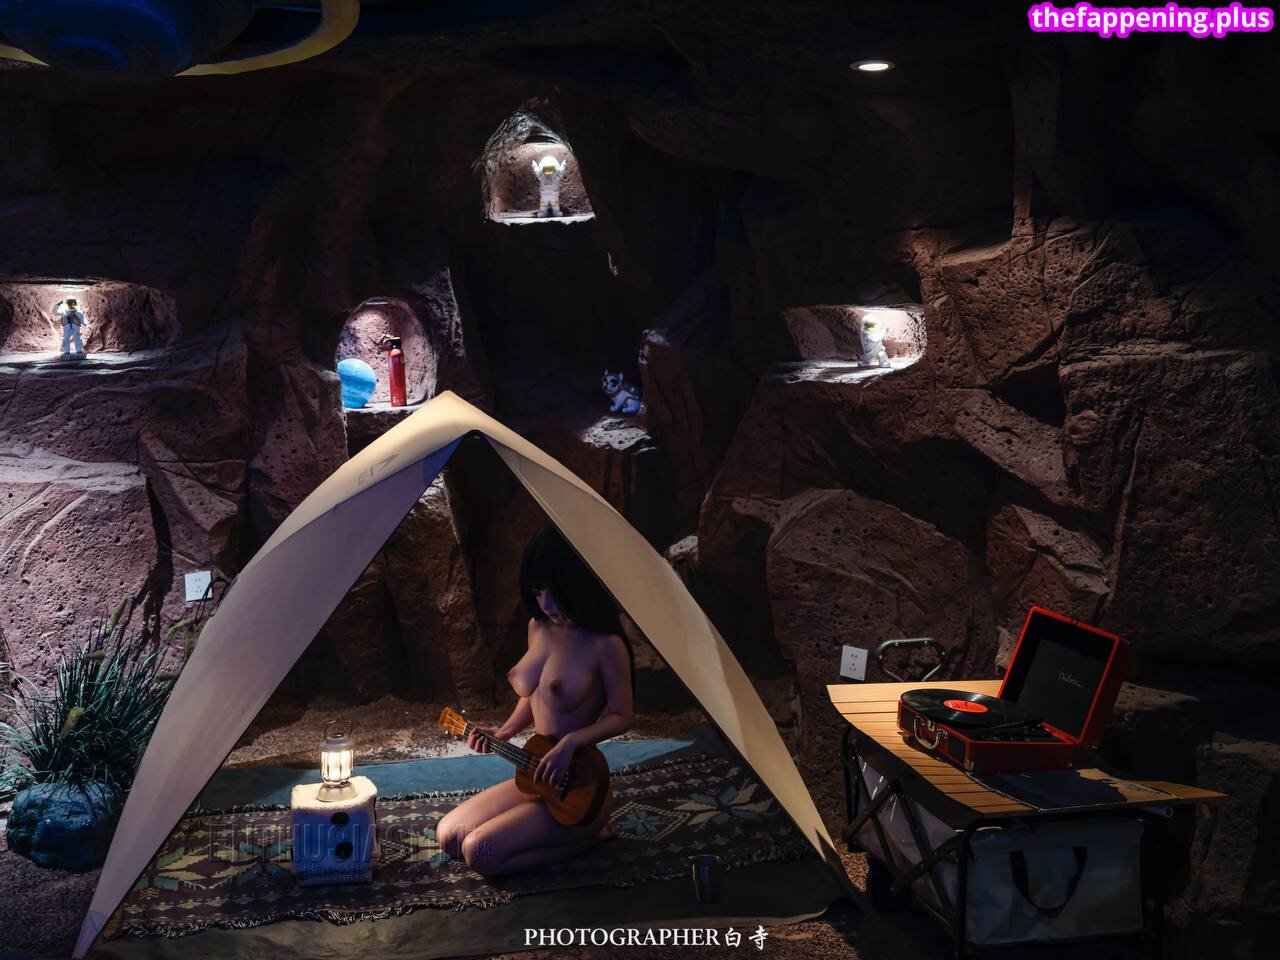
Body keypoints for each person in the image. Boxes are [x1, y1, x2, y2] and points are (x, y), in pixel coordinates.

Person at [436, 525, 635, 878]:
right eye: (538, 591)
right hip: (536, 770)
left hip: (579, 786)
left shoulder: (605, 644)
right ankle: (554, 831)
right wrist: (503, 731)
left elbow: (623, 715)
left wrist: (570, 743)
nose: (546, 604)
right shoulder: (537, 627)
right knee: (449, 835)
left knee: (479, 852)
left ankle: (591, 834)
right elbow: (537, 695)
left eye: (554, 592)